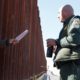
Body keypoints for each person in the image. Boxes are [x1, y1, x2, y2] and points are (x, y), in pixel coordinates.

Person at [47, 4, 80, 80]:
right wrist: (57, 49)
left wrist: (56, 42)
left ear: (64, 12)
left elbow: (75, 38)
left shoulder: (76, 20)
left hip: (72, 64)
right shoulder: (68, 24)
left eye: (58, 13)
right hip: (68, 63)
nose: (57, 16)